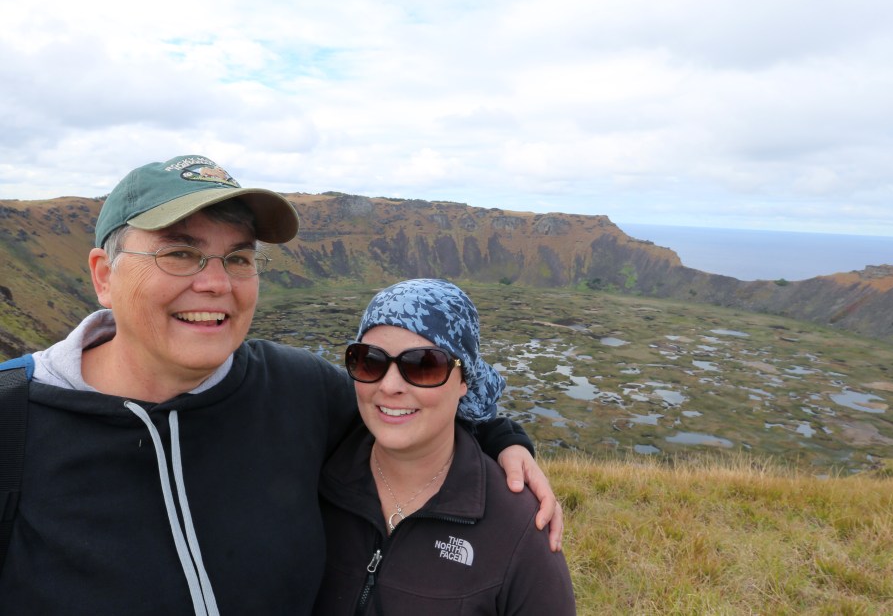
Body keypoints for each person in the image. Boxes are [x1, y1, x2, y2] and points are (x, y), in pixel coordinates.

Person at [0, 155, 561, 615]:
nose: (216, 282)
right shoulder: (13, 420)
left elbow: (406, 405)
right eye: (179, 252)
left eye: (238, 257)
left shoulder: (298, 391)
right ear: (104, 274)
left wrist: (501, 439)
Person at [314, 279, 576, 615]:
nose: (390, 386)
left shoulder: (518, 527)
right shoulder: (316, 477)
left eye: (424, 365)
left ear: (465, 380)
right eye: (370, 361)